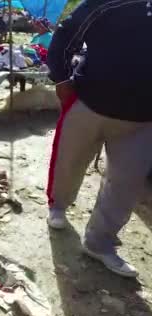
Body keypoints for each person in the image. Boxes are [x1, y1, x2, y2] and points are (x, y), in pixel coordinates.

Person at [46, 0, 152, 278]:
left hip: (143, 119)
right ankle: (58, 205)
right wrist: (60, 78)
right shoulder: (106, 2)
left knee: (125, 185)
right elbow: (65, 34)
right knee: (69, 161)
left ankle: (99, 243)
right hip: (89, 102)